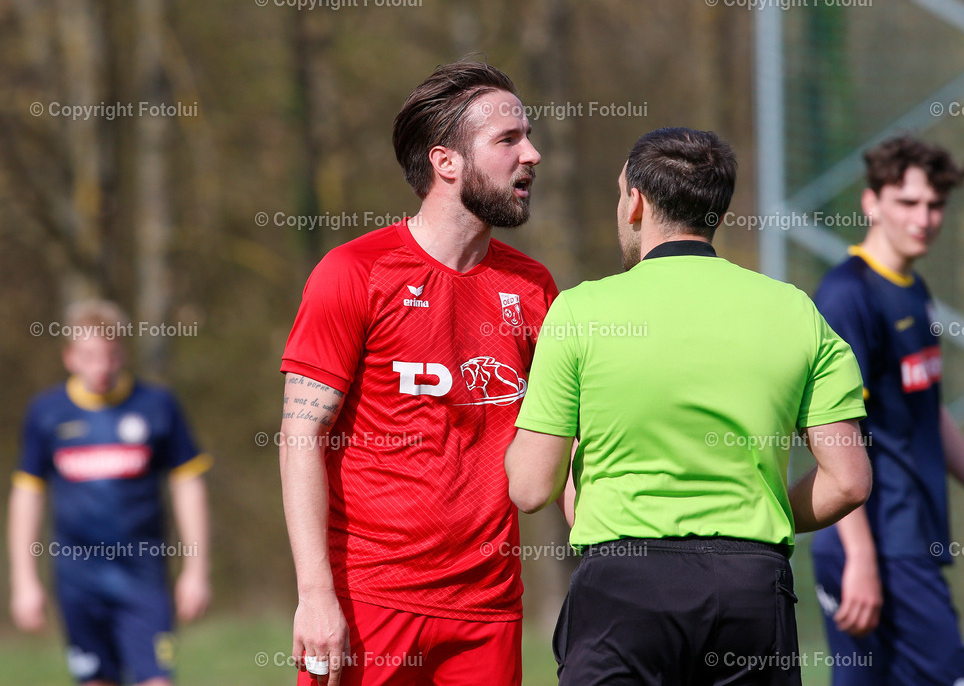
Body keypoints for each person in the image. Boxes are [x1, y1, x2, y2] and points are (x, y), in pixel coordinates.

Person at [505, 126, 872, 686]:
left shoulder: (581, 312)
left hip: (621, 590)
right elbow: (848, 481)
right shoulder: (795, 312)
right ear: (717, 211)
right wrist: (756, 518)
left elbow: (530, 488)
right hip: (750, 588)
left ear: (636, 202)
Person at [278, 60, 557, 686]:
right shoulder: (353, 272)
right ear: (446, 162)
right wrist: (315, 594)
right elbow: (301, 438)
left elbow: (560, 445)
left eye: (527, 136)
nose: (532, 154)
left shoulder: (534, 288)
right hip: (369, 601)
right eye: (508, 140)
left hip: (488, 610)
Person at [810, 135, 964, 686]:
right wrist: (860, 556)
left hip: (908, 539)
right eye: (907, 203)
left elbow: (928, 412)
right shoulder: (846, 296)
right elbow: (833, 432)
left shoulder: (915, 290)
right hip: (872, 546)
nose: (923, 217)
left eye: (935, 205)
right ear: (871, 203)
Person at [8, 299, 211, 686]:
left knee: (157, 680)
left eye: (110, 355)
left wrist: (197, 570)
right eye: (89, 356)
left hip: (143, 574)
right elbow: (27, 497)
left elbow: (188, 484)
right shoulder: (46, 412)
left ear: (123, 353)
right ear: (69, 357)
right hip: (78, 576)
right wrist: (24, 581)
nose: (101, 367)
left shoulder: (158, 406)